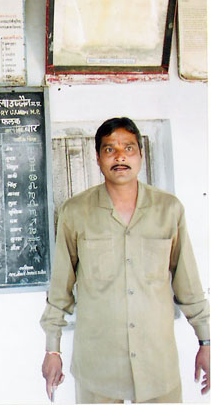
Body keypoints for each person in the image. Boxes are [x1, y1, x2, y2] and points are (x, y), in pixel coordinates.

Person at [40, 117, 209, 403]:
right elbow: (60, 288)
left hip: (157, 365)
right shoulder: (75, 212)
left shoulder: (169, 210)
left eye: (128, 148)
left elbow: (188, 283)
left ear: (141, 155)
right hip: (99, 366)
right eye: (109, 149)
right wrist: (52, 348)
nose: (120, 156)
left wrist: (206, 341)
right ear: (97, 158)